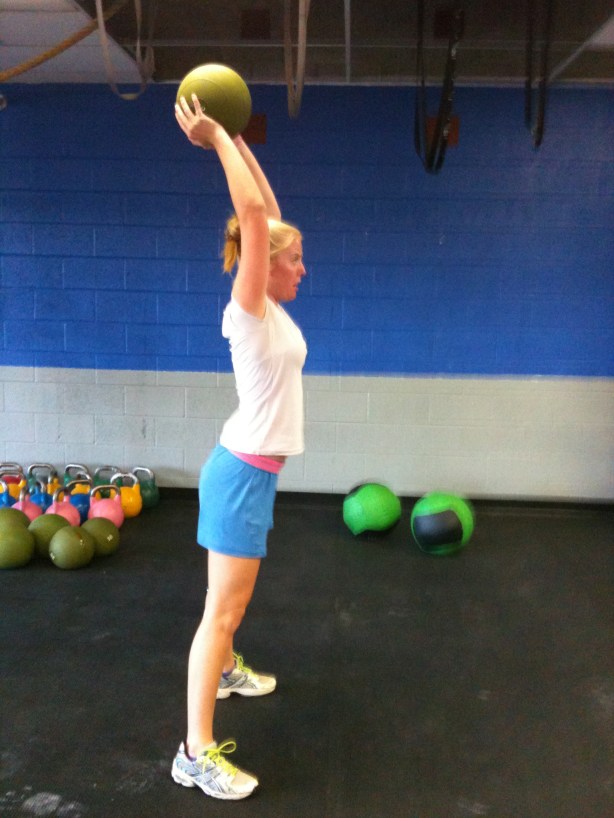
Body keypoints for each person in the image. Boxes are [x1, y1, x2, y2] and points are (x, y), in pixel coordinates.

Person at [171, 93, 308, 801]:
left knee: (229, 608)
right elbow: (255, 218)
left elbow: (266, 211)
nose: (303, 269)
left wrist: (240, 142)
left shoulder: (272, 308)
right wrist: (217, 137)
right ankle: (194, 753)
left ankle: (225, 669)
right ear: (268, 267)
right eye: (296, 260)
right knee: (219, 614)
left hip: (250, 474)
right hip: (239, 478)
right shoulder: (248, 311)